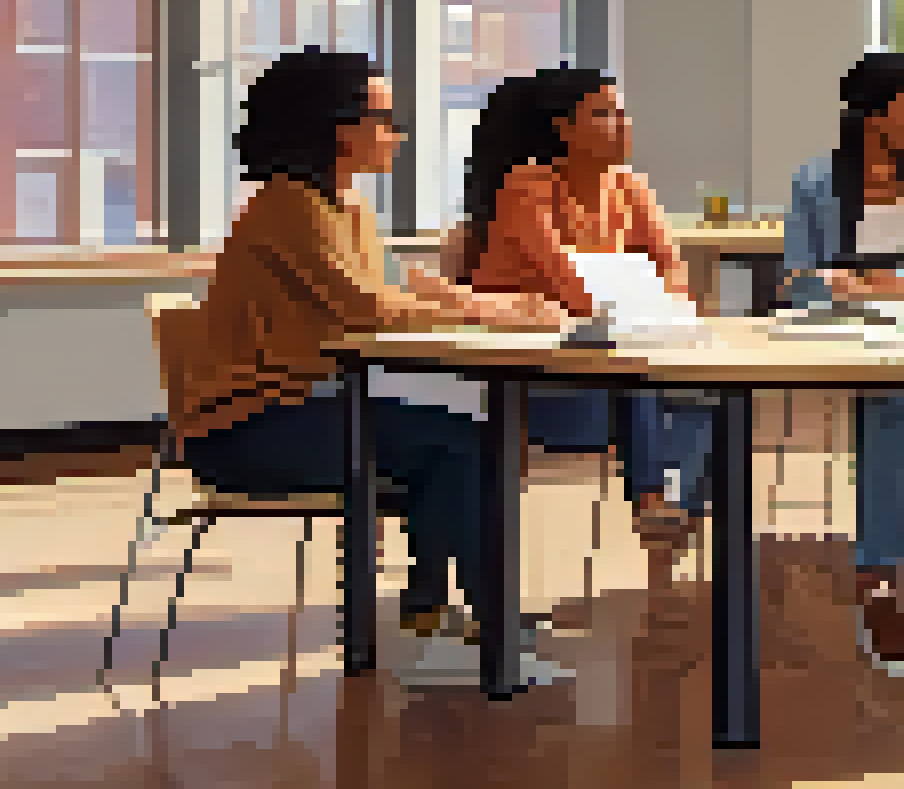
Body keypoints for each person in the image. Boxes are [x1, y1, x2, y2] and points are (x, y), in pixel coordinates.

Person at [173, 49, 565, 671]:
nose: (397, 134)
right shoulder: (286, 204)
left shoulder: (345, 206)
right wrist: (492, 312)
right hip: (248, 428)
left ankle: (435, 604)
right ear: (337, 127)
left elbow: (400, 288)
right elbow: (371, 307)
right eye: (384, 119)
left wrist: (497, 303)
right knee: (464, 441)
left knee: (466, 433)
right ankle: (483, 616)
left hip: (309, 408)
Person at [456, 67, 709, 563]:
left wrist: (663, 310)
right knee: (639, 378)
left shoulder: (631, 188)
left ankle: (674, 523)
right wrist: (642, 310)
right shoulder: (528, 187)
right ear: (562, 128)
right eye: (603, 113)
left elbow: (674, 274)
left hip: (610, 366)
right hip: (532, 378)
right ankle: (652, 501)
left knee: (710, 401)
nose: (621, 124)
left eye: (620, 112)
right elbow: (565, 283)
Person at [782, 52, 904, 677]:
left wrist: (896, 288)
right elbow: (795, 278)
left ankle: (879, 555)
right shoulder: (814, 183)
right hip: (836, 332)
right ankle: (876, 577)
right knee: (898, 408)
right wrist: (834, 286)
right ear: (873, 118)